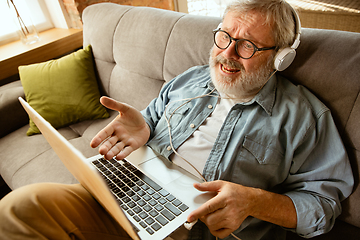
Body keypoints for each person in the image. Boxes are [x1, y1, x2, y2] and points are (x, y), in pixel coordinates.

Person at [0, 0, 354, 239]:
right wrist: (146, 126)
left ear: (281, 59)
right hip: (129, 190)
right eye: (225, 37)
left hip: (192, 228)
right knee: (20, 208)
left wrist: (253, 202)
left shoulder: (304, 118)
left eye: (247, 46)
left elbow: (323, 206)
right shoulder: (191, 78)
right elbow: (150, 120)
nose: (226, 54)